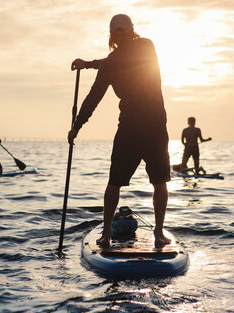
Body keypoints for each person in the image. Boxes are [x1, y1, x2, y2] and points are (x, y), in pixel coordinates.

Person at [68, 14, 171, 248]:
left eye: (123, 30)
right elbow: (92, 98)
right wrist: (77, 126)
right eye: (116, 31)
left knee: (160, 181)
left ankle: (158, 232)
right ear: (112, 34)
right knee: (114, 182)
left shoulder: (145, 46)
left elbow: (117, 60)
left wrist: (91, 64)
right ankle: (105, 234)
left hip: (153, 127)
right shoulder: (111, 63)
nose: (120, 35)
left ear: (132, 30)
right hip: (131, 129)